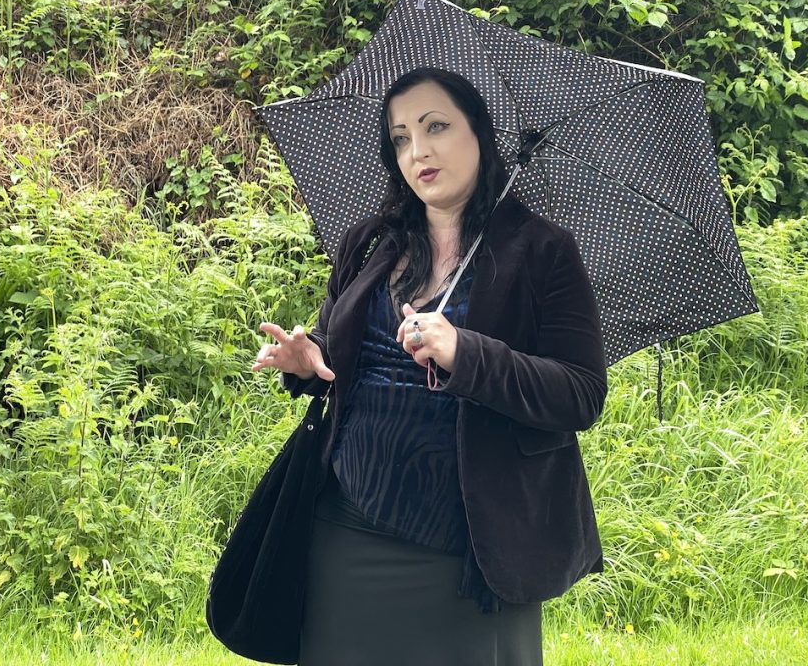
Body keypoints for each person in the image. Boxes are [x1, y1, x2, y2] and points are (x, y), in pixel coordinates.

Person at [252, 67, 607, 665]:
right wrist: (307, 361)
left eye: (436, 126)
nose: (418, 150)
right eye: (400, 137)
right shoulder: (372, 241)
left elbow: (580, 393)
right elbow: (345, 354)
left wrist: (468, 353)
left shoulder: (543, 251)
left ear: (480, 132)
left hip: (468, 545)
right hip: (347, 527)